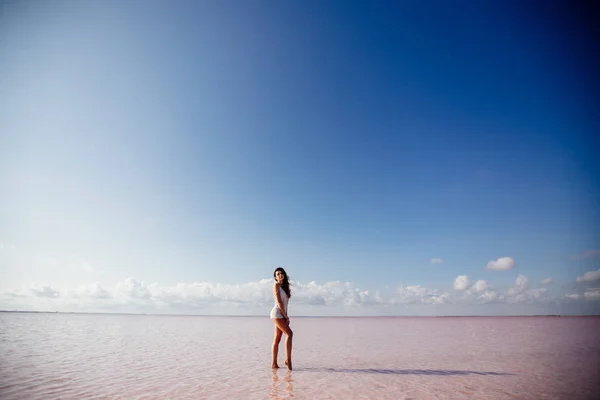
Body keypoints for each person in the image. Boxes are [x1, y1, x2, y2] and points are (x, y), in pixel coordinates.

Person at [270, 267, 293, 370]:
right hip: (276, 313)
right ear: (275, 277)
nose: (280, 275)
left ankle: (274, 364)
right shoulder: (276, 286)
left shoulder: (285, 288)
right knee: (289, 334)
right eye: (277, 274)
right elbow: (279, 302)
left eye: (281, 273)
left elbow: (285, 304)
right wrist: (285, 316)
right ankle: (288, 360)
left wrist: (286, 317)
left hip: (282, 314)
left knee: (277, 339)